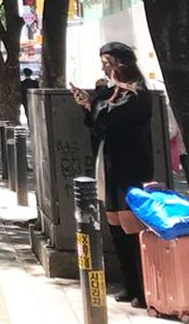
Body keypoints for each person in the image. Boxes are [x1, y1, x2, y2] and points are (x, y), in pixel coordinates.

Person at [69, 42, 153, 307]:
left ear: (121, 63)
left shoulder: (136, 94)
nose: (104, 69)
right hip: (108, 165)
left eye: (107, 64)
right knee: (115, 228)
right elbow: (100, 121)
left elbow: (109, 116)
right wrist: (88, 103)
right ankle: (130, 286)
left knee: (131, 229)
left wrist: (92, 102)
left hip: (130, 169)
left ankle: (143, 288)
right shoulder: (114, 93)